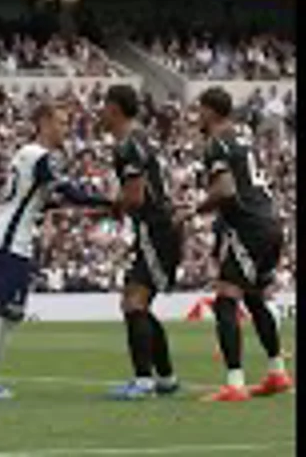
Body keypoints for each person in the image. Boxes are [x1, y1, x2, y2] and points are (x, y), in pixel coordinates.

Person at [0, 102, 113, 400]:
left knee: (10, 314)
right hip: (10, 238)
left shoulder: (27, 155)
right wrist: (110, 204)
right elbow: (71, 193)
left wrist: (76, 207)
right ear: (43, 122)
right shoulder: (43, 157)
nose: (65, 129)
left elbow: (46, 200)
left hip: (14, 237)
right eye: (60, 122)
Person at [195, 86, 292, 402]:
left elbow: (225, 191)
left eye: (199, 110)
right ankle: (277, 372)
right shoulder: (242, 139)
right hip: (272, 223)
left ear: (210, 111)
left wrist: (193, 210)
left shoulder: (216, 144)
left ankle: (235, 384)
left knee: (226, 296)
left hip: (248, 227)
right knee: (254, 298)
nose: (197, 116)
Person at [99, 84, 183, 399]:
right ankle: (165, 377)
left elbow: (135, 196)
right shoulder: (142, 138)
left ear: (116, 109)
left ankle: (144, 380)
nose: (100, 113)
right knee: (139, 304)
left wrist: (112, 205)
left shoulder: (128, 146)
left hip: (155, 228)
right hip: (159, 228)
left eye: (104, 106)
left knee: (133, 301)